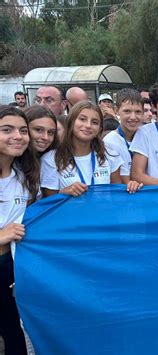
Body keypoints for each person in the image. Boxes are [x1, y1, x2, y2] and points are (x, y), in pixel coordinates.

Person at [0, 105, 40, 355]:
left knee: (14, 332)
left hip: (9, 267)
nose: (18, 136)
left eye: (23, 130)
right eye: (7, 129)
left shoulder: (23, 176)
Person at [40, 101, 141, 197]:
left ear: (99, 129)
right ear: (71, 122)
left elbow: (116, 194)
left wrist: (131, 186)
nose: (88, 125)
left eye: (95, 122)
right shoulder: (51, 159)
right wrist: (64, 192)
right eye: (82, 119)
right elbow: (49, 202)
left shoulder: (110, 155)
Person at [104, 89, 144, 184]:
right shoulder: (110, 142)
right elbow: (119, 182)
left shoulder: (146, 136)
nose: (133, 117)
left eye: (138, 112)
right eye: (127, 111)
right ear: (116, 111)